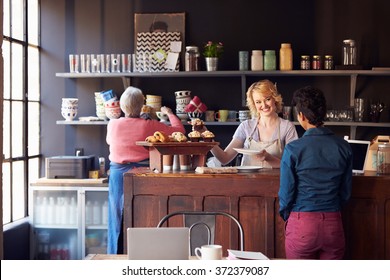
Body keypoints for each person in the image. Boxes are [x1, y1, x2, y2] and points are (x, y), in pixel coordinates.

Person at [106, 86, 185, 254]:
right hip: (144, 173)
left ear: (121, 106)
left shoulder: (112, 124)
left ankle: (115, 256)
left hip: (117, 174)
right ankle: (145, 255)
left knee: (116, 218)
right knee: (144, 215)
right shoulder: (149, 125)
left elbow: (111, 141)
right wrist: (169, 113)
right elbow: (179, 131)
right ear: (142, 105)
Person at [278, 86, 353, 259]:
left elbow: (286, 193)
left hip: (302, 223)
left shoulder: (293, 149)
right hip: (333, 223)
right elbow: (346, 193)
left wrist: (289, 216)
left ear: (301, 116)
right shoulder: (343, 147)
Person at [210, 79, 298, 168]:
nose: (264, 105)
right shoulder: (246, 126)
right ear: (254, 104)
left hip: (276, 181)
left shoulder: (287, 127)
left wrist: (268, 158)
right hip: (248, 181)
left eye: (267, 99)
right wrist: (208, 140)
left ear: (275, 99)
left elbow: (293, 164)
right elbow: (224, 158)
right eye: (258, 102)